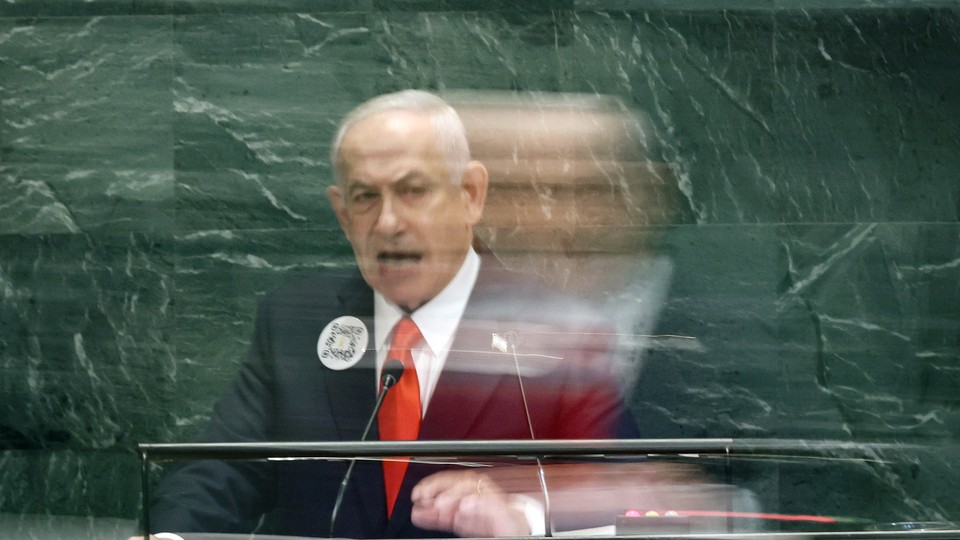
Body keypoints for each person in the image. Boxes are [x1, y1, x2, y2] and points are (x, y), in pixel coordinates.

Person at [136, 90, 636, 540]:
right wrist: (169, 537)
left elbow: (624, 496)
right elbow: (222, 469)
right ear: (343, 215)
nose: (389, 222)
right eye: (366, 197)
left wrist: (521, 516)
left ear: (471, 195)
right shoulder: (296, 321)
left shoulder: (559, 333)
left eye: (413, 190)